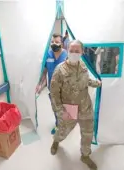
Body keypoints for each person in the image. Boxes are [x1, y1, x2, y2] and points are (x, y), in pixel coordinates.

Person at [49, 40, 101, 170]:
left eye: (77, 51)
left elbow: (85, 81)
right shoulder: (60, 69)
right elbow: (54, 92)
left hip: (85, 107)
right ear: (67, 49)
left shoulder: (83, 66)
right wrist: (60, 111)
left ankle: (85, 156)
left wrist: (96, 83)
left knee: (88, 133)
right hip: (69, 109)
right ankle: (56, 140)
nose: (74, 53)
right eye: (71, 50)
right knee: (63, 132)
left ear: (82, 52)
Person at [36, 33, 68, 135]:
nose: (54, 44)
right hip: (52, 88)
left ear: (62, 44)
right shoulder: (48, 54)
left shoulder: (66, 55)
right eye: (52, 42)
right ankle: (58, 124)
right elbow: (44, 72)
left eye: (57, 42)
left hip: (65, 88)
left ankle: (66, 125)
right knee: (55, 108)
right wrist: (39, 84)